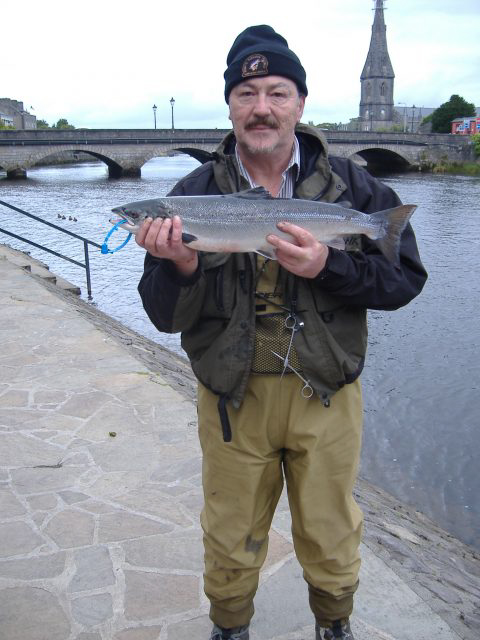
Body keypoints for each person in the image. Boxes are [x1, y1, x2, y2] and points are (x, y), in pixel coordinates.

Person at [136, 25, 427, 640]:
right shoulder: (189, 197)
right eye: (246, 94)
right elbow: (162, 316)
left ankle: (333, 622)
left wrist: (331, 266)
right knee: (229, 529)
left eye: (276, 92)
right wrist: (180, 264)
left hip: (326, 392)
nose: (261, 107)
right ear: (231, 107)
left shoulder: (357, 189)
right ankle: (232, 625)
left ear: (299, 102)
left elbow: (402, 284)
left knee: (331, 528)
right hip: (232, 398)